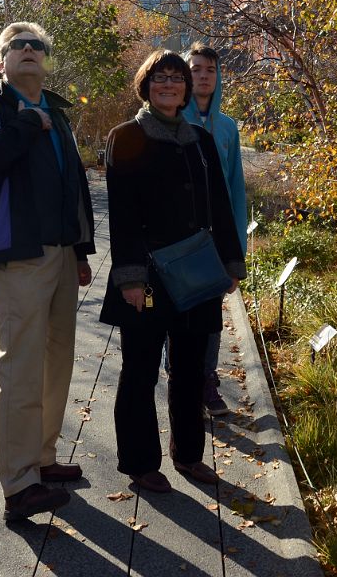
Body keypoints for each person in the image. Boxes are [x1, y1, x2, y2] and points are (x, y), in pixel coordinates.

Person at [0, 22, 95, 522]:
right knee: (19, 365)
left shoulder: (56, 112)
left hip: (58, 252)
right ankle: (18, 486)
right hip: (17, 253)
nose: (29, 50)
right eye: (18, 45)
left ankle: (41, 459)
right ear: (2, 61)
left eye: (37, 45)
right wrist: (27, 125)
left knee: (57, 359)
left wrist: (81, 249)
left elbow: (71, 183)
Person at [101, 50, 245, 493]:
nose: (170, 85)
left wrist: (231, 262)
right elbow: (121, 215)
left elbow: (219, 206)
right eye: (160, 78)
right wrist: (128, 278)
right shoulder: (125, 137)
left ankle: (189, 455)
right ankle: (141, 463)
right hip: (144, 281)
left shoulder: (200, 140)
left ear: (187, 88)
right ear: (146, 85)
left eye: (177, 78)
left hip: (198, 278)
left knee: (188, 370)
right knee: (140, 369)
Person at [181, 43, 247, 417]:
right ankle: (180, 375)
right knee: (180, 311)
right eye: (196, 69)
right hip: (180, 238)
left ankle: (206, 382)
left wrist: (235, 251)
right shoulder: (175, 119)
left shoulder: (227, 126)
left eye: (210, 70)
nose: (203, 75)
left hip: (215, 239)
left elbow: (235, 188)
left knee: (210, 316)